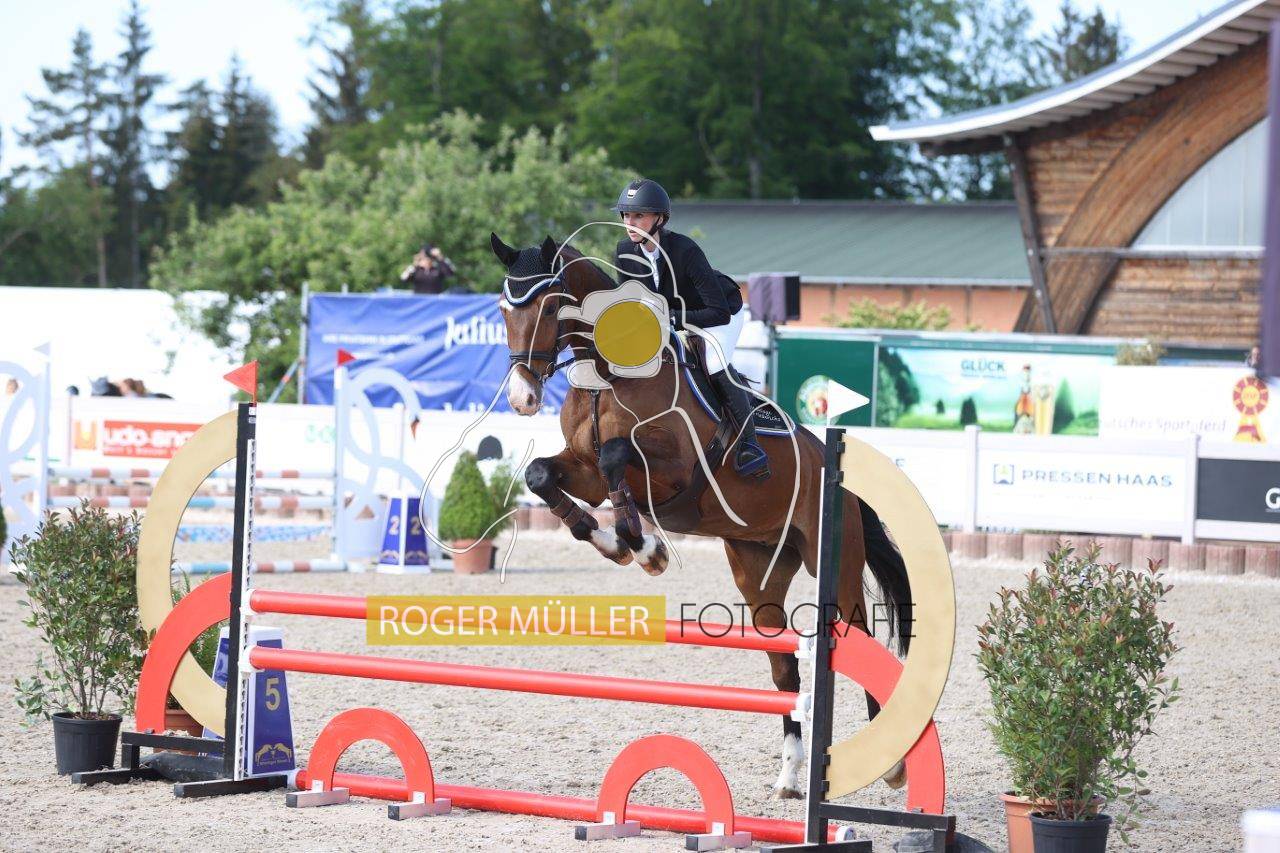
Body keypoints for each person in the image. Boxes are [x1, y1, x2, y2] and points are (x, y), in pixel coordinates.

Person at [612, 178, 769, 480]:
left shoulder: (685, 250)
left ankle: (750, 444)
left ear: (660, 219)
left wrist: (671, 319)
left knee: (713, 363)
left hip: (722, 313)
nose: (629, 223)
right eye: (626, 216)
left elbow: (718, 312)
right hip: (672, 317)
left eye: (638, 216)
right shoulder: (624, 252)